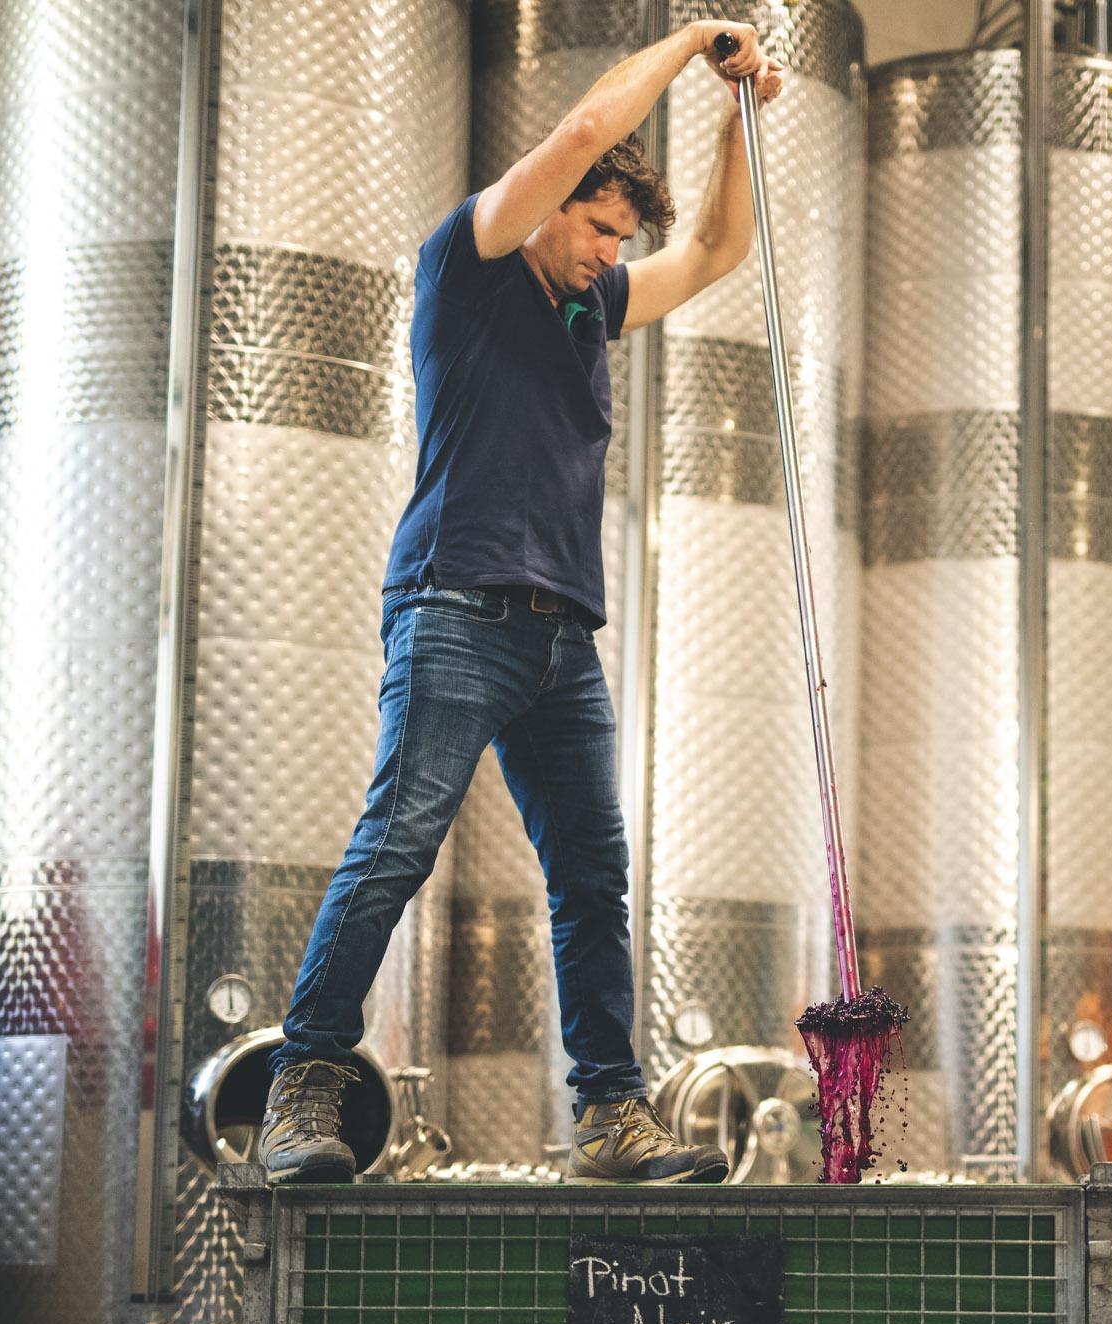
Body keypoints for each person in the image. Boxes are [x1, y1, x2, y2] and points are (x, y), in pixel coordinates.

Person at [256, 22, 786, 1186]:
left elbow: (713, 249)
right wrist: (694, 40)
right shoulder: (475, 259)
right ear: (550, 205)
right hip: (456, 604)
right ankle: (300, 1089)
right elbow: (588, 127)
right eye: (596, 226)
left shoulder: (589, 308)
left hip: (561, 639)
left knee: (594, 880)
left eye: (618, 239)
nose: (607, 252)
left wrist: (739, 118)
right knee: (397, 848)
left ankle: (610, 1115)